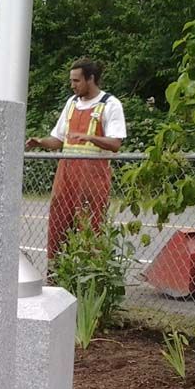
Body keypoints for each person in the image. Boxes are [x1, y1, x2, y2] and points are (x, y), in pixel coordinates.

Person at [26, 59, 127, 261]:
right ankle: (55, 278)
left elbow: (116, 143)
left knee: (90, 226)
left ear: (91, 79)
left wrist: (91, 138)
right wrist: (40, 142)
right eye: (71, 81)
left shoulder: (110, 104)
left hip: (92, 176)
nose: (72, 85)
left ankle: (89, 277)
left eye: (76, 81)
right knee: (58, 224)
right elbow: (59, 140)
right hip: (66, 174)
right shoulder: (71, 103)